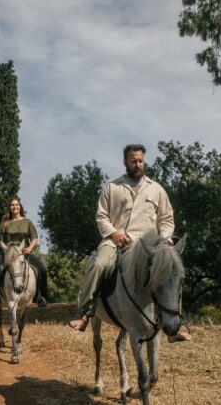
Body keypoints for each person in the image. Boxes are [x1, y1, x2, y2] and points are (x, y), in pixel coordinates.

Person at [68, 144, 191, 342]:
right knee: (99, 264)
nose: (137, 164)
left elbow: (167, 219)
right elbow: (101, 217)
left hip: (148, 247)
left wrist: (166, 236)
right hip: (116, 242)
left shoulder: (156, 189)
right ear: (125, 162)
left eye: (140, 161)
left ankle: (174, 328)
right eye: (133, 161)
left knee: (173, 270)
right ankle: (84, 314)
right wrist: (114, 233)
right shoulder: (112, 188)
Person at [0, 197, 48, 307]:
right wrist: (5, 249)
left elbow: (34, 238)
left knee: (42, 270)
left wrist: (30, 248)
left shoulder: (27, 222)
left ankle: (41, 296)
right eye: (12, 205)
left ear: (20, 207)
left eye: (17, 205)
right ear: (9, 208)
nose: (15, 207)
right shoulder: (5, 222)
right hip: (8, 252)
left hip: (24, 252)